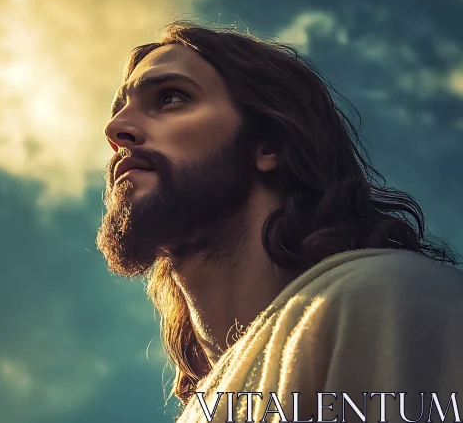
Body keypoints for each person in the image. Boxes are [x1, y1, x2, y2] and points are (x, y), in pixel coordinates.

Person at [96, 21, 463, 423]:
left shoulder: (383, 296)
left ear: (268, 144)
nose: (116, 130)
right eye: (118, 112)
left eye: (170, 98)